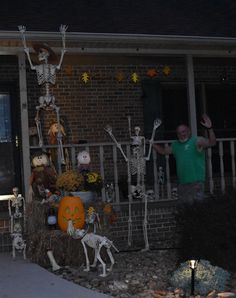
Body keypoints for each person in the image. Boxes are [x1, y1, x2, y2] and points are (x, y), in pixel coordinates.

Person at [153, 114, 216, 205]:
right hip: (182, 184)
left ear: (189, 131)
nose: (182, 134)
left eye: (184, 131)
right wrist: (152, 144)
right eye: (179, 133)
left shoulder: (196, 141)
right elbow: (163, 151)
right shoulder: (175, 145)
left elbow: (212, 142)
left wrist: (210, 129)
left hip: (196, 183)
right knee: (184, 212)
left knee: (196, 211)